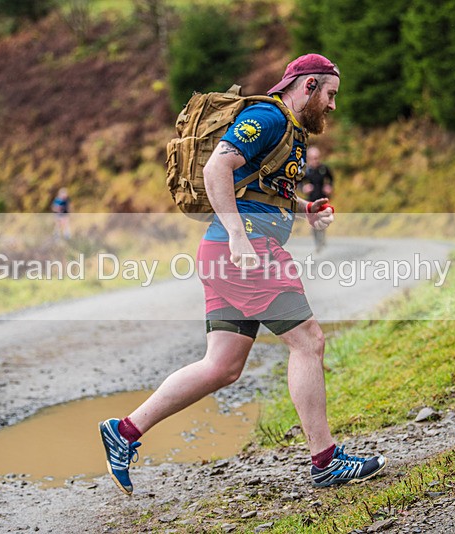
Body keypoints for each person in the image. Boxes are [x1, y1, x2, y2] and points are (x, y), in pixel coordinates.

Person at [99, 54, 387, 494]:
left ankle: (124, 431)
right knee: (308, 341)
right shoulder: (268, 116)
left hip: (225, 251)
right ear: (308, 85)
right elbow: (217, 168)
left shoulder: (288, 131)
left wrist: (305, 209)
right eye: (329, 95)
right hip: (244, 249)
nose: (332, 106)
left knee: (221, 366)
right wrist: (238, 235)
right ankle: (326, 461)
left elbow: (259, 191)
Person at [301, 147, 334, 251]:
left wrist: (329, 187)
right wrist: (304, 188)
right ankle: (318, 243)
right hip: (311, 200)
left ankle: (322, 238)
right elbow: (299, 183)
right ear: (309, 159)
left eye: (317, 158)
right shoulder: (306, 171)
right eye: (313, 158)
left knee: (323, 220)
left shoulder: (324, 169)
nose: (316, 160)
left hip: (323, 199)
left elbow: (331, 179)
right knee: (314, 223)